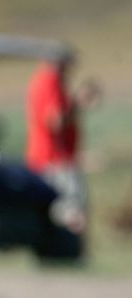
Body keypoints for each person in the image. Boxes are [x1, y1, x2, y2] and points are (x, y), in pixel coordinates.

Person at [25, 51, 100, 235]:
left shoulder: (47, 81)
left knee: (66, 206)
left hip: (54, 157)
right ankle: (68, 247)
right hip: (53, 159)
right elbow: (55, 120)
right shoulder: (50, 81)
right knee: (71, 208)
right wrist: (77, 103)